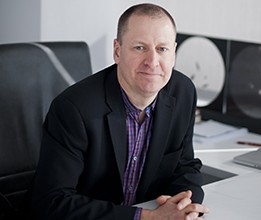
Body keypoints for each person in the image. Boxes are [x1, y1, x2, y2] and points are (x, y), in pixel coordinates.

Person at [30, 3, 209, 220]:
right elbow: (52, 201)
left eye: (162, 49)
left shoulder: (183, 93)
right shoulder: (73, 109)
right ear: (117, 51)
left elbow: (185, 165)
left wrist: (182, 206)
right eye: (140, 48)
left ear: (173, 54)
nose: (152, 62)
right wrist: (146, 217)